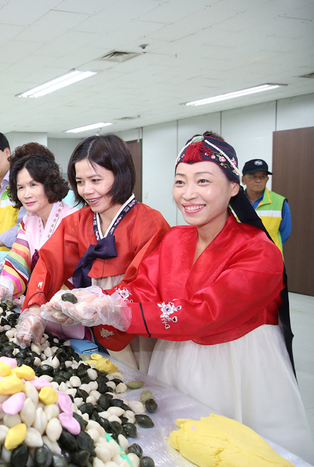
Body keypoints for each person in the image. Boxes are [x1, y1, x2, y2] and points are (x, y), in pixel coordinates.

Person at [42, 133, 313, 460]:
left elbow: (205, 312)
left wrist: (119, 312)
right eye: (180, 182)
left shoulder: (259, 252)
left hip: (238, 369)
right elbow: (143, 285)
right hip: (174, 356)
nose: (188, 193)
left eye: (203, 181)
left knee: (236, 452)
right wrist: (100, 300)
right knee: (176, 443)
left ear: (233, 186)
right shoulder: (175, 239)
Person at [19, 135, 170, 371]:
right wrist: (35, 310)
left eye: (96, 180)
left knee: (141, 376)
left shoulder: (149, 222)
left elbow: (147, 284)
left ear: (120, 174)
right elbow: (49, 263)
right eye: (80, 182)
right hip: (94, 321)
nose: (87, 190)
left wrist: (103, 304)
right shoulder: (77, 222)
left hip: (137, 322)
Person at [0, 144, 75, 296]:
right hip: (39, 298)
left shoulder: (72, 220)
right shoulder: (29, 220)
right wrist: (4, 285)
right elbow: (19, 259)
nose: (26, 194)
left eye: (33, 185)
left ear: (49, 183)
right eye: (21, 187)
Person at [241, 159, 291, 254]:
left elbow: (284, 233)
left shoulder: (280, 202)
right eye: (253, 176)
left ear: (267, 179)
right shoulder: (233, 202)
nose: (258, 180)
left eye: (262, 176)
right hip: (241, 256)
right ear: (243, 180)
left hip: (270, 256)